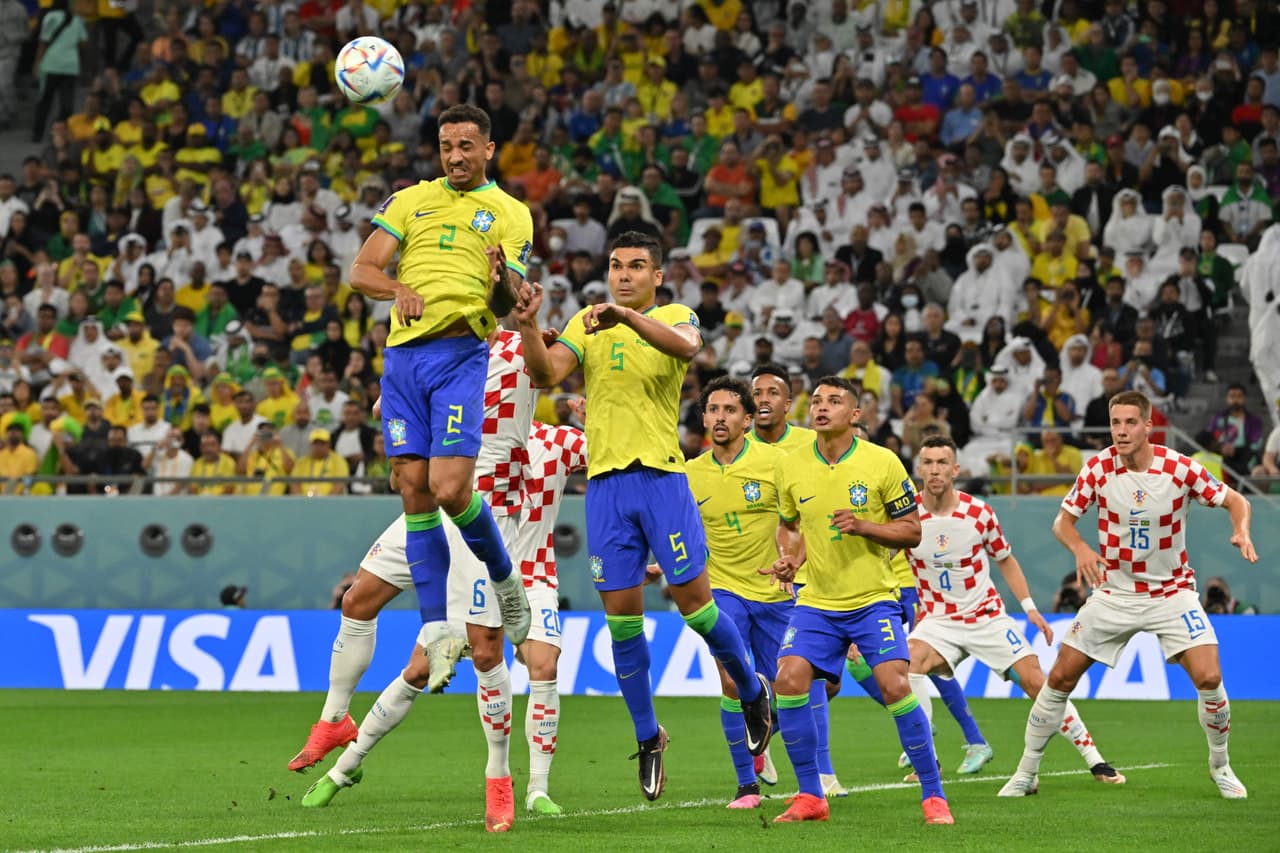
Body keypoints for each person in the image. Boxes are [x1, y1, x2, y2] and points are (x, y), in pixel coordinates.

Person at [514, 231, 772, 802]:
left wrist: (626, 319)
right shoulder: (586, 321)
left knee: (696, 608)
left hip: (661, 477)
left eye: (635, 266)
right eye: (615, 265)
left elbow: (686, 350)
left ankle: (753, 691)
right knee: (623, 624)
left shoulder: (675, 314)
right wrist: (530, 325)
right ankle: (649, 736)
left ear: (657, 276)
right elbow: (544, 375)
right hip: (605, 486)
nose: (623, 274)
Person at [291, 329, 560, 824]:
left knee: (483, 650)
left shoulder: (522, 342)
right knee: (357, 600)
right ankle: (334, 720)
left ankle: (499, 777)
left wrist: (533, 327)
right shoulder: (432, 342)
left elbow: (550, 373)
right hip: (428, 509)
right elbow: (382, 410)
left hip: (487, 507)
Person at [999, 391, 1257, 800]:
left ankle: (1220, 765)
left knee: (1209, 677)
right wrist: (1081, 548)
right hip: (1114, 593)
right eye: (1115, 423)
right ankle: (1026, 772)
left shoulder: (1178, 468)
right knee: (1061, 676)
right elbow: (1062, 523)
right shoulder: (1098, 468)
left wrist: (1241, 528)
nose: (1120, 431)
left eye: (1129, 423)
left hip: (1172, 593)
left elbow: (1236, 499)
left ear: (1147, 425)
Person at [349, 103, 534, 653]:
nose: (455, 156)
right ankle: (434, 628)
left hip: (460, 352)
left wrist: (502, 278)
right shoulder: (410, 200)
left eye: (466, 146)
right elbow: (362, 271)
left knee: (449, 489)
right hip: (404, 358)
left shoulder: (510, 212)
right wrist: (395, 289)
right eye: (447, 146)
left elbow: (507, 305)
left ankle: (505, 581)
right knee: (412, 489)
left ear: (488, 150)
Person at [762, 375, 951, 825]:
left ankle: (934, 796)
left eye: (834, 401)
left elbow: (912, 531)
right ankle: (811, 796)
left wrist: (866, 525)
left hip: (872, 599)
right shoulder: (790, 466)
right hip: (816, 601)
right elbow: (790, 524)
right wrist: (789, 558)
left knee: (895, 686)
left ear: (856, 414)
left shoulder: (882, 463)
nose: (822, 407)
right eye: (817, 401)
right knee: (788, 680)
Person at [907, 435, 1124, 784]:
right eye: (928, 463)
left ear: (955, 470)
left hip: (986, 617)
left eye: (942, 463)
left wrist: (1030, 609)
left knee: (1038, 682)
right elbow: (886, 565)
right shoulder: (908, 519)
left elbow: (1005, 560)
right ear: (919, 469)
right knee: (907, 663)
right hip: (939, 621)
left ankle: (1094, 758)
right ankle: (926, 760)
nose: (935, 470)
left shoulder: (979, 513)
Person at [686, 376, 789, 810]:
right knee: (730, 681)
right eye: (713, 410)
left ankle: (762, 726)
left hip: (776, 591)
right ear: (704, 417)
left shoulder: (777, 463)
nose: (720, 417)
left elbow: (799, 522)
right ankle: (746, 786)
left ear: (748, 420)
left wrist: (794, 560)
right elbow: (684, 533)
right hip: (722, 590)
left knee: (784, 686)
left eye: (730, 410)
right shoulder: (689, 473)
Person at [746, 362, 845, 796]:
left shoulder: (813, 444)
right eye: (757, 393)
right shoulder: (736, 448)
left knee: (824, 680)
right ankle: (822, 773)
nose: (763, 399)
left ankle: (768, 727)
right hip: (755, 581)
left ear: (789, 404)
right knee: (797, 677)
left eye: (772, 393)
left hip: (813, 579)